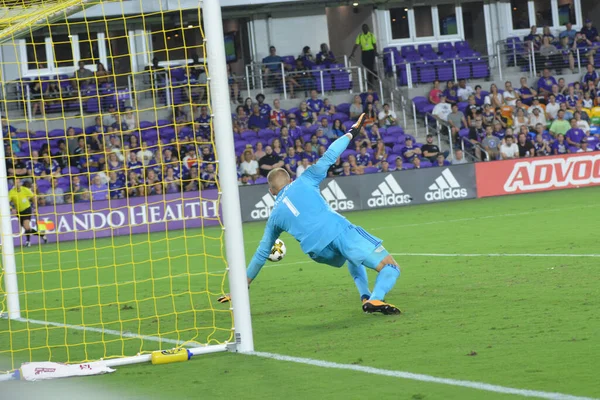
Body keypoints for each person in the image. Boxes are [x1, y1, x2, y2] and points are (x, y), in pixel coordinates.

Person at [219, 115, 401, 315]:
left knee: (352, 257)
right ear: (289, 180)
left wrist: (240, 288)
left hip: (318, 252)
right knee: (390, 267)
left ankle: (365, 295)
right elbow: (330, 156)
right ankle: (376, 299)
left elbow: (262, 254)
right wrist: (350, 134)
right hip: (337, 231)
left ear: (271, 191)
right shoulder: (305, 180)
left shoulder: (274, 218)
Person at [9, 178, 47, 247]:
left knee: (26, 226)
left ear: (20, 183)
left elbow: (33, 197)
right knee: (27, 228)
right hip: (19, 212)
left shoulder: (25, 189)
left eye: (18, 182)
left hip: (27, 209)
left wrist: (35, 207)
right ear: (14, 184)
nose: (18, 184)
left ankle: (28, 242)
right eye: (16, 183)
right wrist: (12, 209)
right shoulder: (11, 192)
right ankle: (41, 235)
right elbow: (6, 202)